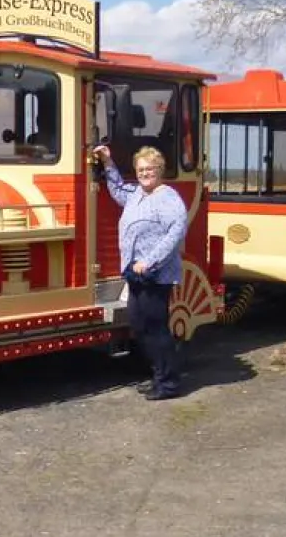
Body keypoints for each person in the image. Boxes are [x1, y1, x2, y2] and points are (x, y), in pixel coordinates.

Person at [92, 143, 187, 400]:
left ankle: (168, 383)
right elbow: (117, 189)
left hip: (156, 274)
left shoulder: (167, 197)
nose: (145, 173)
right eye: (141, 169)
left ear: (160, 170)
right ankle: (158, 376)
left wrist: (150, 261)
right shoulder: (136, 195)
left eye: (150, 168)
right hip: (135, 274)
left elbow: (176, 233)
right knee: (138, 324)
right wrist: (108, 163)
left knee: (155, 328)